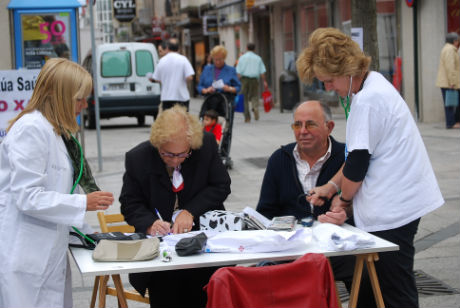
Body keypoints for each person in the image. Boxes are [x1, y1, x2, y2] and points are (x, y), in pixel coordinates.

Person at [297, 27, 444, 308]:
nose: (328, 88)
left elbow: (357, 165)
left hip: (394, 210)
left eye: (328, 81)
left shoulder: (367, 100)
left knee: (394, 290)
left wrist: (344, 202)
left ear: (346, 69)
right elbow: (357, 155)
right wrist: (330, 187)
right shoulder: (372, 85)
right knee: (368, 287)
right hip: (395, 203)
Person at [0, 58, 114, 308]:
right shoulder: (30, 129)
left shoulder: (54, 132)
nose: (84, 105)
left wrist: (87, 233)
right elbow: (27, 196)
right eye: (79, 98)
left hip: (47, 252)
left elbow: (56, 192)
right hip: (26, 254)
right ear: (58, 95)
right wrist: (83, 202)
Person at [119, 105, 231, 308]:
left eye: (182, 155)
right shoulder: (138, 158)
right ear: (157, 144)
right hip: (163, 257)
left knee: (208, 289)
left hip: (203, 246)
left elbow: (221, 185)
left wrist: (191, 211)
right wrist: (150, 224)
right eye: (168, 155)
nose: (176, 160)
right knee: (166, 286)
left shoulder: (204, 145)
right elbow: (129, 203)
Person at [256, 100, 347, 222]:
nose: (303, 131)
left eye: (310, 124)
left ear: (329, 127)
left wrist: (345, 213)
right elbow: (264, 213)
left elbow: (360, 206)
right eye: (297, 125)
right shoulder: (279, 159)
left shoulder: (347, 158)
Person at [151, 38, 195, 111]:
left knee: (169, 121)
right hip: (182, 97)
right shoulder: (183, 59)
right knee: (182, 120)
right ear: (179, 48)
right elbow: (190, 77)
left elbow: (156, 79)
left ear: (167, 48)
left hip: (166, 98)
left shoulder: (161, 61)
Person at [236, 43, 268, 122]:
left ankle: (247, 117)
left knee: (244, 98)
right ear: (254, 49)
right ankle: (255, 107)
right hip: (254, 79)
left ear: (246, 48)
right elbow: (262, 71)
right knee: (254, 95)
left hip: (244, 79)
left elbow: (238, 71)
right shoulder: (258, 58)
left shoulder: (242, 58)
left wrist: (237, 81)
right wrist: (264, 81)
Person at [436, 32, 460, 129]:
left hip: (447, 82)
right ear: (454, 41)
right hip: (448, 82)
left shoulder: (447, 49)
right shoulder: (450, 50)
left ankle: (453, 121)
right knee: (450, 103)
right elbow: (450, 67)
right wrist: (452, 82)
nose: (458, 42)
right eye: (457, 40)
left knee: (451, 102)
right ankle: (450, 123)